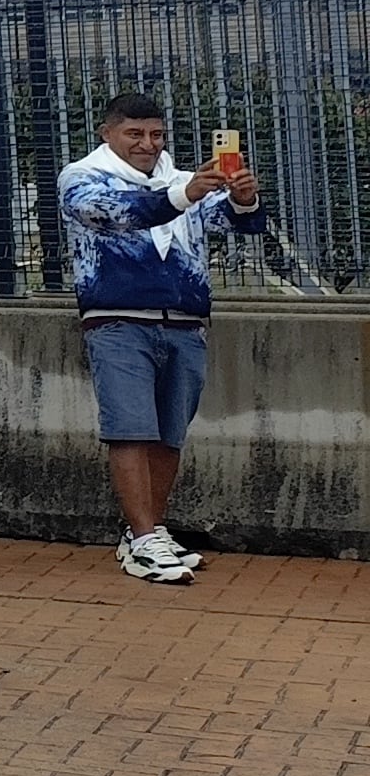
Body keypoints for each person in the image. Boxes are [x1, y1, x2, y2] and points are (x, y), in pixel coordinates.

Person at [60, 90, 257, 584]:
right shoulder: (81, 176)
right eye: (135, 134)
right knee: (130, 427)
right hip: (117, 317)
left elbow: (229, 222)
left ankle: (147, 532)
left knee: (170, 432)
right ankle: (144, 538)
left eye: (155, 135)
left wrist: (242, 198)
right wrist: (185, 194)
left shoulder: (181, 179)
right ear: (107, 134)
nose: (147, 144)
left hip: (185, 320)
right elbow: (119, 212)